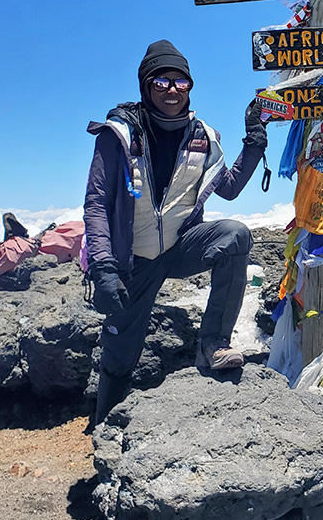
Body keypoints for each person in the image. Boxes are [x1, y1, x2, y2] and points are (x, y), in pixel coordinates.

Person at [83, 40, 267, 422]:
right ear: (146, 85)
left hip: (181, 246)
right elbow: (98, 202)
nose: (172, 89)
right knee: (120, 353)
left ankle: (214, 342)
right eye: (162, 81)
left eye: (181, 82)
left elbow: (229, 188)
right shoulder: (118, 135)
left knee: (234, 234)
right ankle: (104, 426)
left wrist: (254, 142)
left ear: (190, 87)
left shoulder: (203, 136)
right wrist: (102, 267)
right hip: (132, 259)